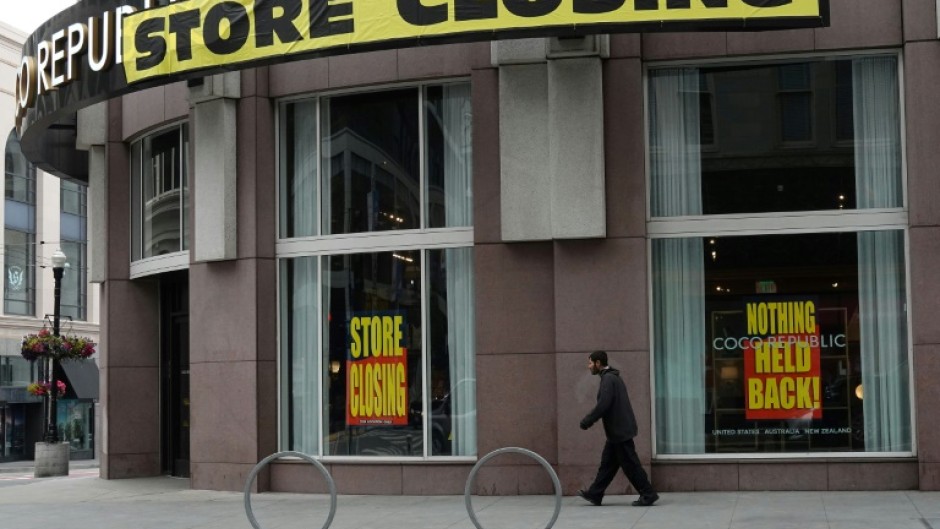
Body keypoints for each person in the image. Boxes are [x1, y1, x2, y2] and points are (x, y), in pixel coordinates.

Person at [578, 350, 659, 507]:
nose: (588, 367)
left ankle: (648, 494)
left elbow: (604, 405)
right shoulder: (612, 378)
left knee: (631, 465)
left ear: (598, 363)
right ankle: (595, 494)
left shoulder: (608, 379)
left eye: (590, 363)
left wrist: (587, 421)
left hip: (620, 431)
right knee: (607, 464)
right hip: (617, 431)